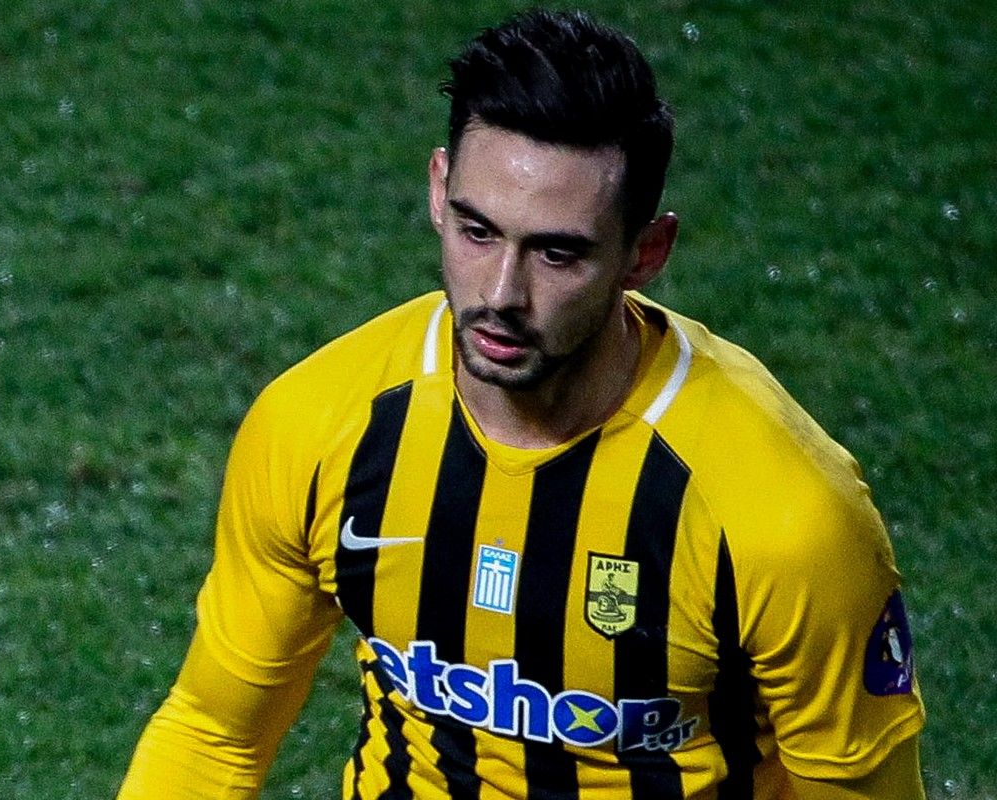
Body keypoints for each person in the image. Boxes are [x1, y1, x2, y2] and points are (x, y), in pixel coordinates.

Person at [118, 9, 925, 799]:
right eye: (477, 231)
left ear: (645, 253)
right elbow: (212, 736)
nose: (501, 294)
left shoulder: (784, 516)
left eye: (557, 253)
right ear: (439, 191)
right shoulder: (325, 426)